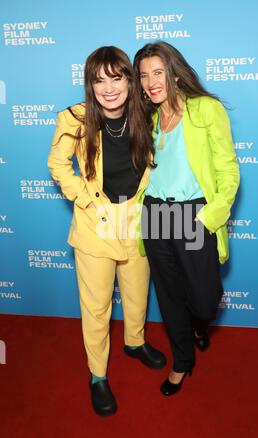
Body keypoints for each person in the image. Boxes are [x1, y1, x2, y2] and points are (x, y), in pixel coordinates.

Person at [48, 46, 166, 416]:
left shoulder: (149, 116)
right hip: (95, 225)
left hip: (137, 219)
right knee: (96, 307)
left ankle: (135, 342)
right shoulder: (76, 119)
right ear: (90, 85)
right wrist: (84, 200)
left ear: (131, 81)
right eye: (99, 80)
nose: (109, 88)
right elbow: (57, 164)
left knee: (136, 291)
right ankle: (97, 376)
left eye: (117, 77)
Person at [133, 41, 240, 396]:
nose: (151, 82)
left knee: (205, 300)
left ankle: (199, 325)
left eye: (158, 72)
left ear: (175, 73)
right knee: (169, 297)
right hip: (157, 216)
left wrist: (210, 216)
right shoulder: (148, 119)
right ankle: (182, 362)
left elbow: (228, 171)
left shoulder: (206, 110)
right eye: (144, 75)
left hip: (193, 215)